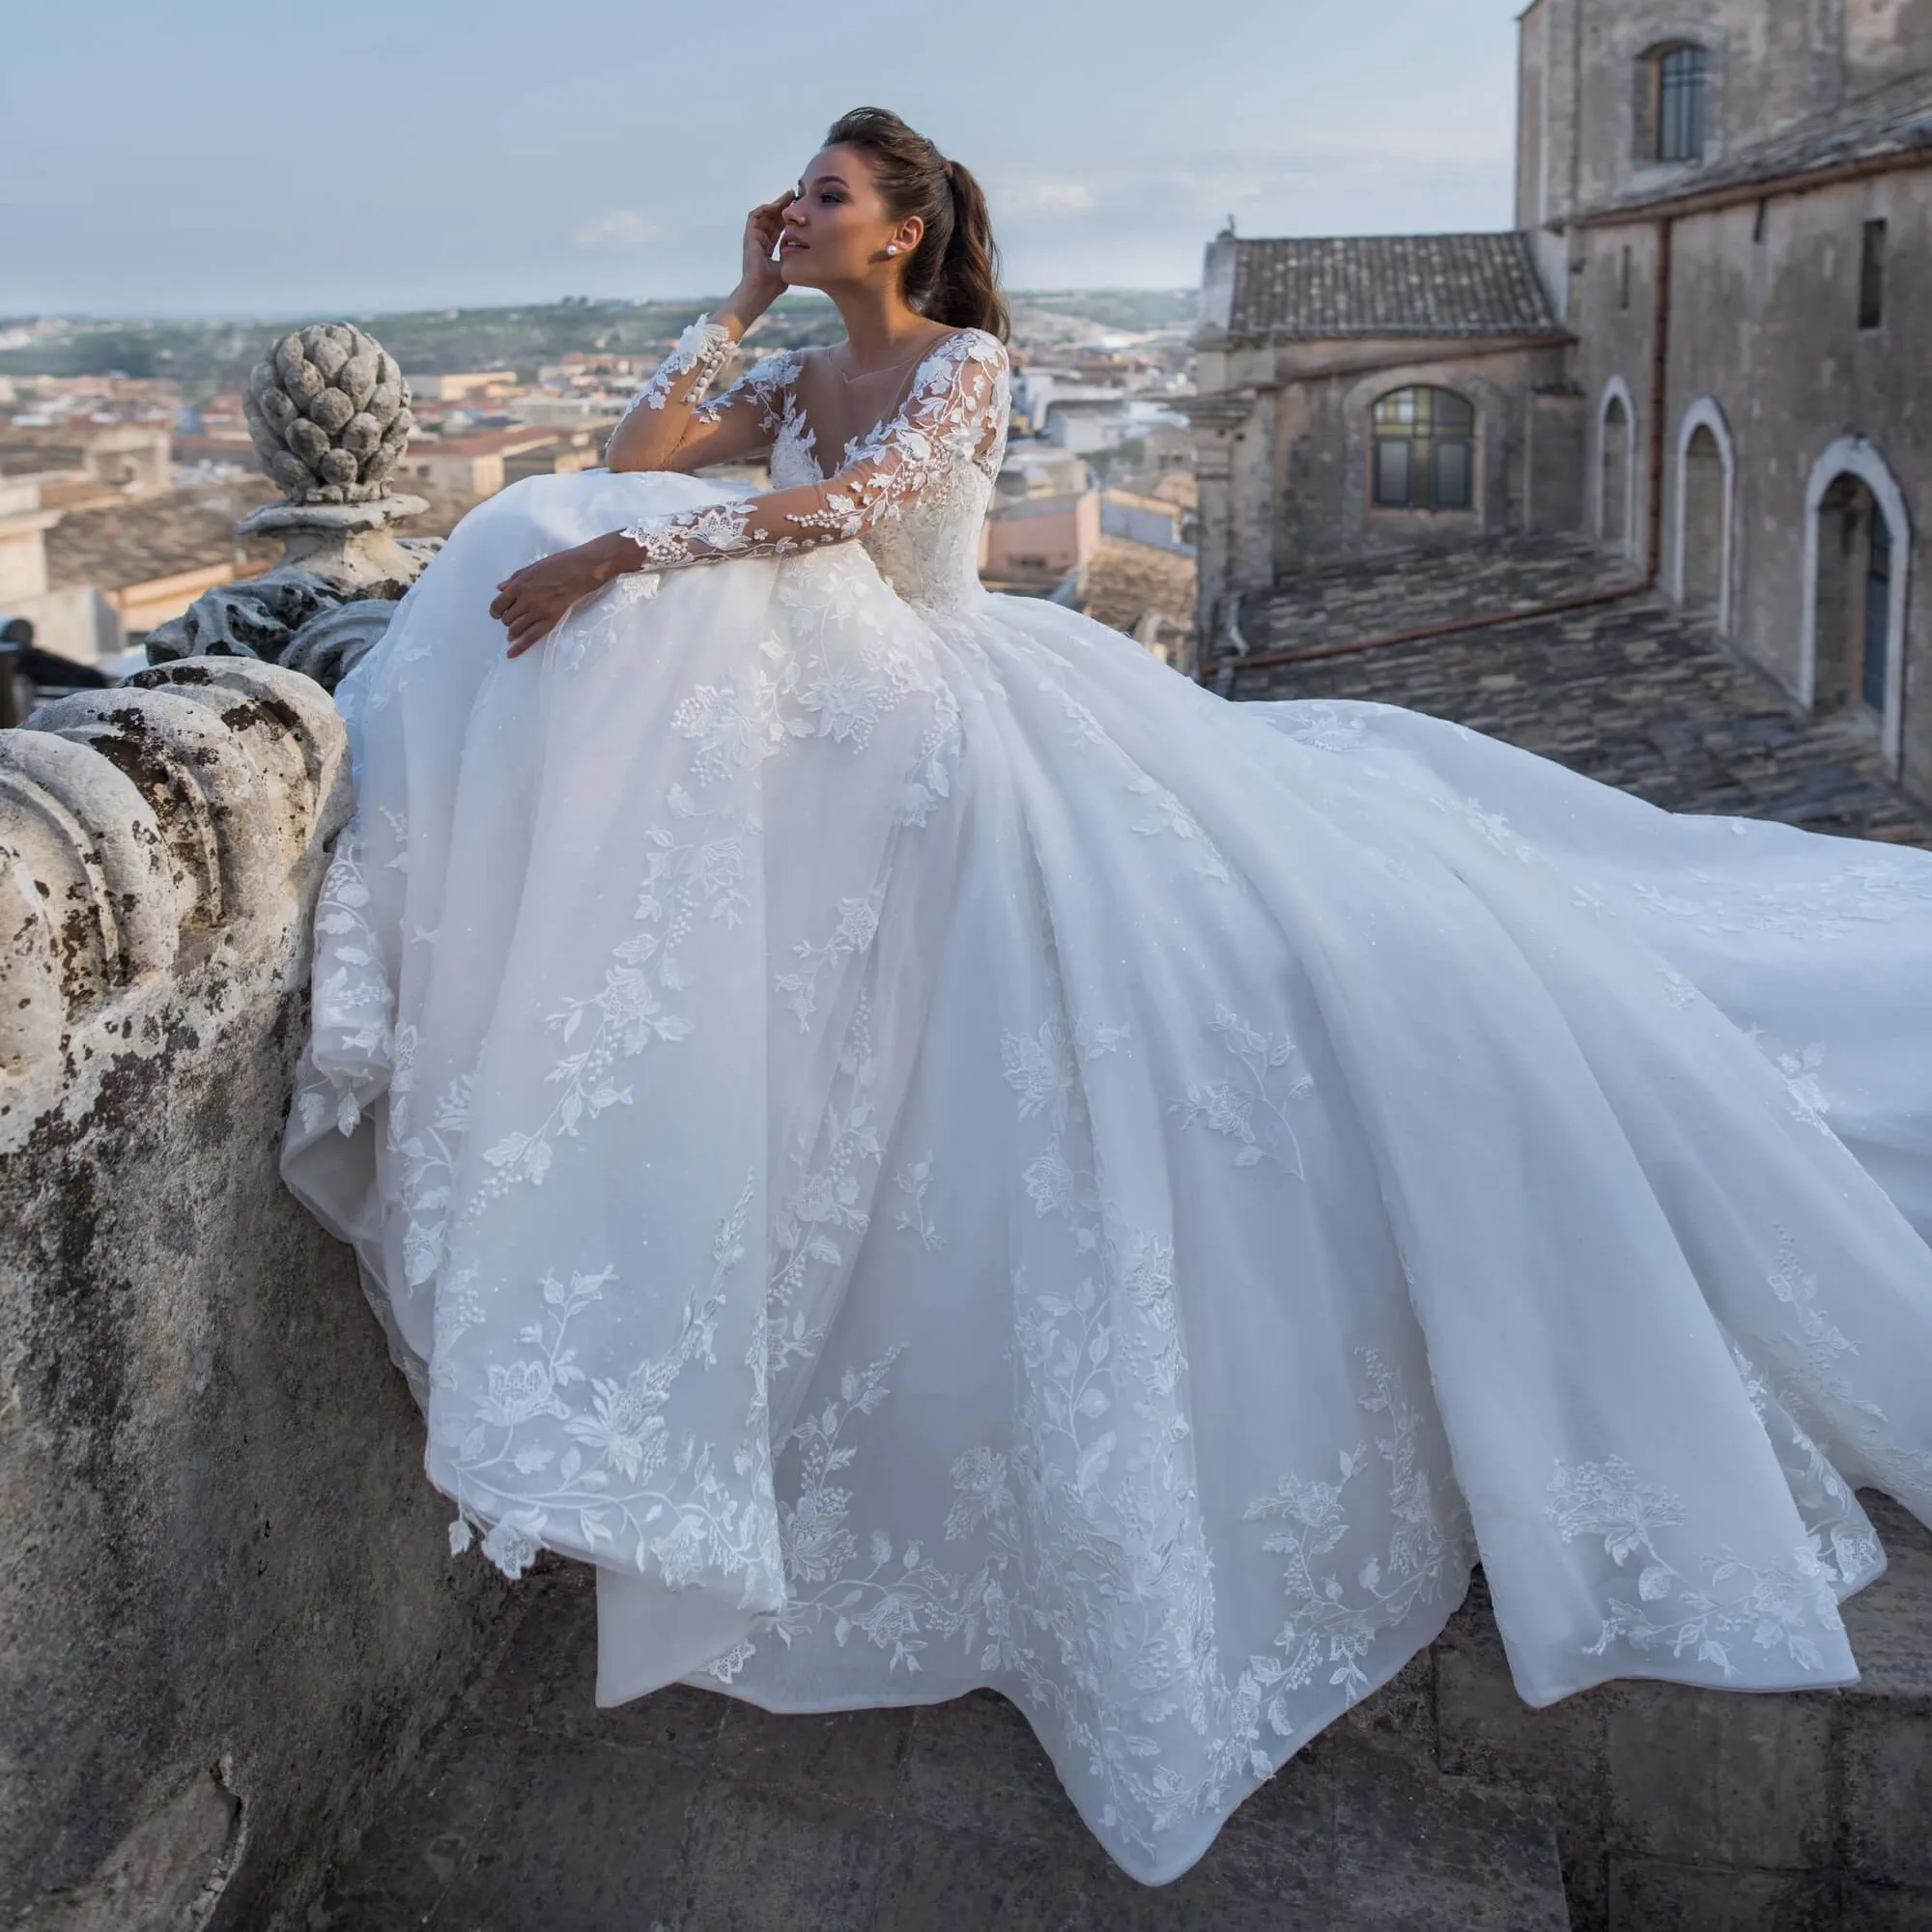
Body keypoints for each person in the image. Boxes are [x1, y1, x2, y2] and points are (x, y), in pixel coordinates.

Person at [281, 105, 1932, 1889]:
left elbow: (840, 519)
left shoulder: (962, 366)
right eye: (797, 198)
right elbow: (638, 451)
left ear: (903, 230)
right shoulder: (799, 366)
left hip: (958, 708)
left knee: (1225, 955)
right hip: (855, 730)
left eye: (826, 199)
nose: (801, 210)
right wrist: (736, 299)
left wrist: (627, 555)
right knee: (568, 518)